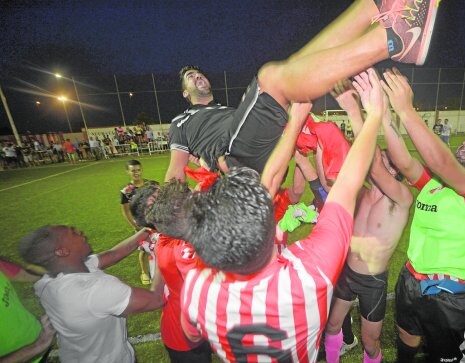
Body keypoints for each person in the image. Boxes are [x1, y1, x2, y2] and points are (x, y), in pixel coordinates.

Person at [153, 69, 386, 362]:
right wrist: (370, 114)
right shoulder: (310, 272)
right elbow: (349, 183)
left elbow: (190, 332)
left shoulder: (199, 291)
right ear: (271, 232)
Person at [165, 0, 441, 181]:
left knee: (296, 67)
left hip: (252, 147)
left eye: (198, 73)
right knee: (270, 78)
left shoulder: (226, 111)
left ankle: (377, 9)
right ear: (185, 95)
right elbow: (175, 172)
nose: (197, 76)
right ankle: (393, 42)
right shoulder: (181, 122)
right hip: (233, 157)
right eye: (190, 77)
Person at [380, 68, 465, 363]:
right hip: (411, 278)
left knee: (445, 356)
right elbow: (404, 161)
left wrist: (406, 109)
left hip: (449, 293)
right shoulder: (437, 185)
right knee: (405, 338)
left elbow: (441, 161)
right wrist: (383, 118)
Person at [323, 79, 413, 363]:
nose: (383, 158)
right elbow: (328, 180)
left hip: (372, 281)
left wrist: (353, 109)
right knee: (332, 326)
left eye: (388, 159)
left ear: (396, 170)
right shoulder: (361, 193)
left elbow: (371, 162)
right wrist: (316, 147)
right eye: (383, 154)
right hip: (347, 272)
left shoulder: (400, 198)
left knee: (370, 342)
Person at [19, 226, 165, 363]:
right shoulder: (93, 290)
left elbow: (113, 254)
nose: (80, 232)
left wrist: (145, 232)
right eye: (73, 233)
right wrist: (162, 255)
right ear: (62, 251)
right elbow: (156, 299)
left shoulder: (52, 278)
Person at [130, 185, 213, 363]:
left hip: (188, 325)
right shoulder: (177, 246)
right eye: (159, 201)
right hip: (184, 335)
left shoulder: (168, 238)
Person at [0, 257, 55, 363]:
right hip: (29, 354)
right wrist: (38, 346)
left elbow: (21, 274)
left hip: (37, 339)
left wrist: (54, 276)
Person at [120, 159, 158, 285]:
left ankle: (159, 270)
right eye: (133, 171)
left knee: (159, 246)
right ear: (128, 172)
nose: (136, 173)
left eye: (138, 170)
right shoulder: (126, 191)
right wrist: (134, 225)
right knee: (143, 249)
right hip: (141, 224)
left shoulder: (151, 184)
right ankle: (144, 272)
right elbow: (126, 211)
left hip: (155, 221)